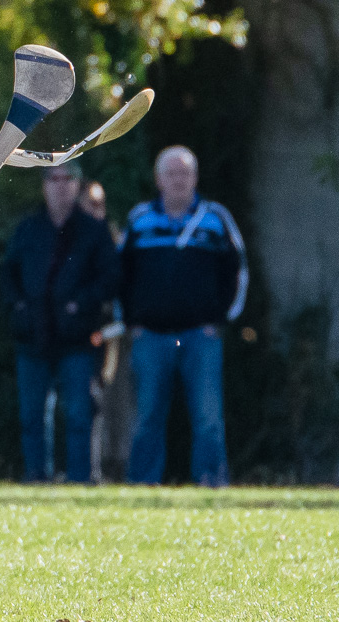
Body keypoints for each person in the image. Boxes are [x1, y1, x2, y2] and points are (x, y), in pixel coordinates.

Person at [121, 146, 247, 487]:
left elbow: (239, 271)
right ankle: (142, 485)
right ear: (159, 179)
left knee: (208, 417)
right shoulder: (140, 219)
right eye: (172, 173)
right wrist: (131, 323)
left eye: (186, 173)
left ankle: (212, 484)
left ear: (195, 177)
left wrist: (220, 321)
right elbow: (120, 275)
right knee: (147, 416)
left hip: (200, 337)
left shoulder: (215, 218)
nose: (179, 180)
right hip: (151, 337)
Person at [0, 160, 119, 483]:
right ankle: (37, 477)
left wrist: (82, 304)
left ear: (78, 185)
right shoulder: (28, 228)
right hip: (33, 336)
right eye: (54, 179)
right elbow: (7, 273)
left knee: (80, 414)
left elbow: (110, 278)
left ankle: (82, 478)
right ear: (44, 185)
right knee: (32, 416)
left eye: (68, 179)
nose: (61, 185)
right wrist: (20, 306)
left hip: (78, 338)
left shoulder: (94, 231)